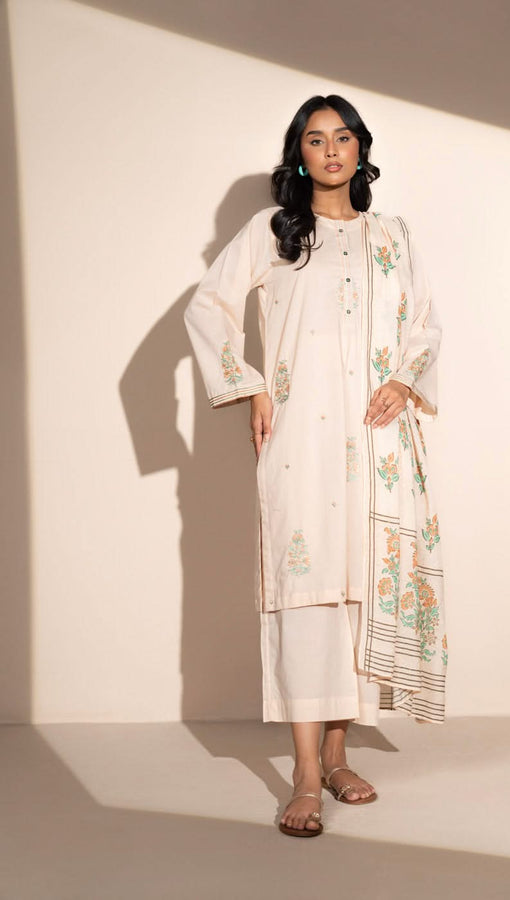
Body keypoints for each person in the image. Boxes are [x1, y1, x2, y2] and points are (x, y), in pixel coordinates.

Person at [184, 94, 448, 838]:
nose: (330, 150)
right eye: (314, 139)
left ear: (361, 149)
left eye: (342, 137)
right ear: (298, 155)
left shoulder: (393, 236)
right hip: (301, 439)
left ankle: (337, 757)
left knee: (359, 588)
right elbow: (208, 307)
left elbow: (425, 324)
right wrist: (251, 386)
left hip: (379, 441)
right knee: (307, 593)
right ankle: (304, 773)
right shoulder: (274, 232)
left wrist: (406, 381)